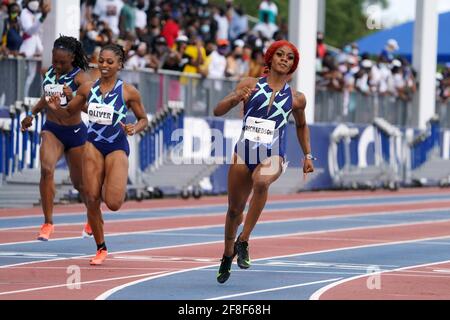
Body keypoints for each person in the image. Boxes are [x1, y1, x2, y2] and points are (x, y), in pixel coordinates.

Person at [213, 40, 315, 283]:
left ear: (293, 66)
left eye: (289, 58)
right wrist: (237, 97)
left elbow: (301, 126)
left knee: (262, 182)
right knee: (234, 210)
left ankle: (244, 240)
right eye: (279, 55)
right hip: (244, 152)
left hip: (274, 153)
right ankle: (228, 254)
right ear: (270, 58)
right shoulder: (250, 84)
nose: (284, 59)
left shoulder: (297, 98)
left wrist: (308, 155)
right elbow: (217, 110)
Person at [47, 44, 148, 265]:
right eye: (101, 60)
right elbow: (69, 112)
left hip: (116, 146)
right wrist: (57, 107)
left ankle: (105, 184)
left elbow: (144, 119)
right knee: (91, 198)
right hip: (92, 144)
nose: (104, 65)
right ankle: (101, 248)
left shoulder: (129, 91)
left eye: (109, 62)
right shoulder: (87, 89)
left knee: (113, 203)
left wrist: (134, 128)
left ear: (120, 64)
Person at [20, 36, 93, 241]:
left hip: (76, 133)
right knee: (46, 169)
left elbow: (91, 109)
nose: (57, 66)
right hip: (52, 129)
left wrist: (73, 98)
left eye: (62, 63)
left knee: (80, 184)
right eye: (54, 61)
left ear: (72, 59)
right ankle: (48, 223)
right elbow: (46, 97)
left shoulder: (81, 79)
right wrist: (32, 114)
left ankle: (92, 217)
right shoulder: (50, 73)